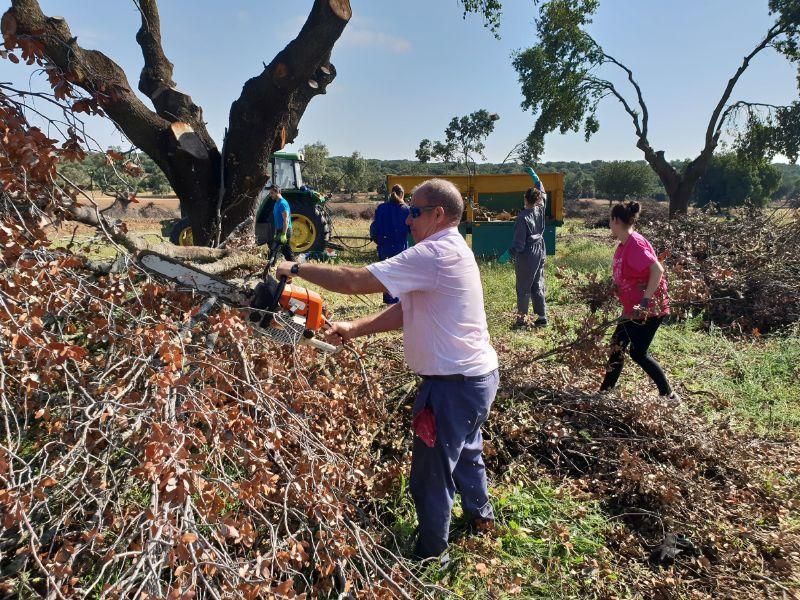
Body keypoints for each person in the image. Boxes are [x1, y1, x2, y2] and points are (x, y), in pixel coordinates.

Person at [276, 179, 499, 562]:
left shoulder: (433, 253)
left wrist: (295, 266)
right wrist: (356, 327)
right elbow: (407, 308)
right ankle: (483, 519)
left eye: (414, 212)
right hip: (476, 380)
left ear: (438, 214)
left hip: (450, 386)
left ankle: (431, 556)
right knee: (466, 453)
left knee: (431, 477)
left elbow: (354, 280)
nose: (407, 221)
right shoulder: (454, 249)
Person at [600, 201, 679, 401]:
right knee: (618, 345)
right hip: (633, 308)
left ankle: (668, 395)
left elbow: (657, 270)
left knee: (637, 352)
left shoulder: (635, 244)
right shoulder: (623, 245)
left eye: (610, 221)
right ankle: (605, 392)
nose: (609, 225)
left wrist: (644, 301)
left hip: (648, 308)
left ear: (616, 220)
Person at [510, 187, 547, 328]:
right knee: (537, 284)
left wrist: (509, 254)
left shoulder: (522, 217)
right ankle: (541, 317)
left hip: (528, 254)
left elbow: (519, 244)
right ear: (537, 199)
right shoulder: (540, 210)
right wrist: (537, 180)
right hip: (540, 250)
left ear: (525, 198)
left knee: (523, 288)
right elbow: (544, 195)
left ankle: (521, 321)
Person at [370, 184, 411, 304]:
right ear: (402, 195)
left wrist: (377, 240)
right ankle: (398, 300)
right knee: (399, 275)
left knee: (386, 273)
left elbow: (374, 227)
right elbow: (410, 229)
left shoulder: (381, 208)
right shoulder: (406, 210)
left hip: (384, 247)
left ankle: (388, 300)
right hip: (400, 248)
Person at [269, 185, 293, 266]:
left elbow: (286, 220)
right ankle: (271, 267)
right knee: (278, 250)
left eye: (272, 193)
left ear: (277, 192)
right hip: (280, 230)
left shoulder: (282, 203)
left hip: (285, 230)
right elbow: (277, 220)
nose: (270, 195)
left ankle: (295, 267)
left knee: (284, 251)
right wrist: (276, 232)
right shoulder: (276, 203)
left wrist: (283, 234)